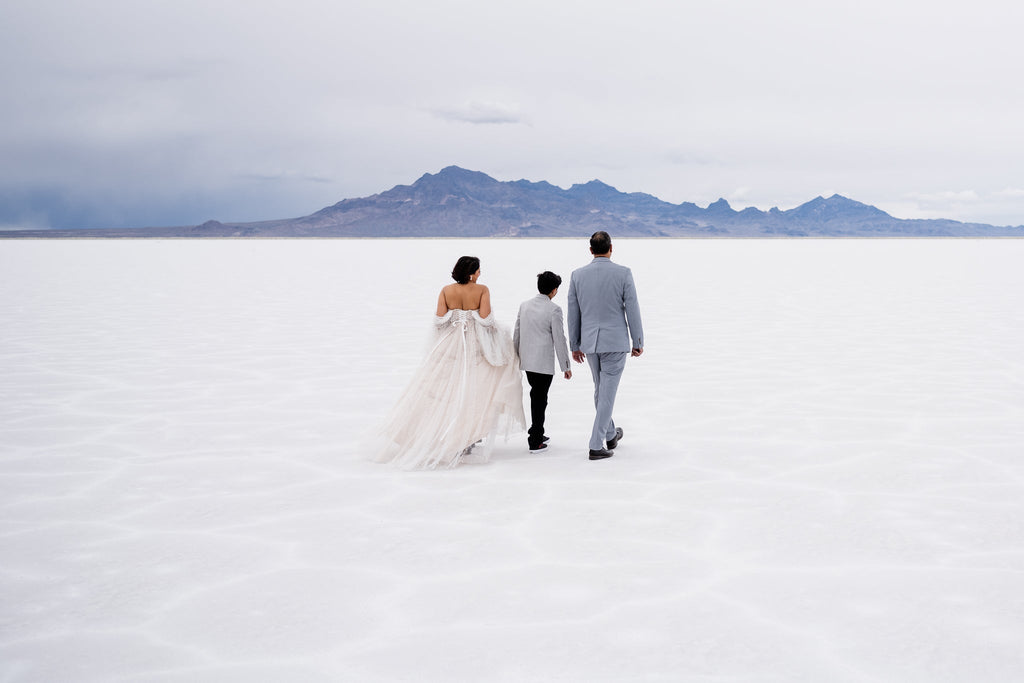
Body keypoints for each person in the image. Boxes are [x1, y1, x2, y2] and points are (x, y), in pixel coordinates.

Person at [370, 256, 525, 469]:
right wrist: (473, 317)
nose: (480, 273)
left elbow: (439, 320)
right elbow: (486, 320)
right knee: (472, 388)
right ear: (471, 273)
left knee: (445, 390)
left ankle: (443, 435)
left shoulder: (446, 290)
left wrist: (457, 317)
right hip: (474, 344)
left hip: (450, 342)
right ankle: (464, 436)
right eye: (478, 270)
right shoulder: (482, 290)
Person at [566, 231, 644, 460]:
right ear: (611, 248)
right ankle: (595, 444)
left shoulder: (577, 275)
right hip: (615, 342)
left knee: (601, 391)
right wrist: (638, 341)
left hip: (590, 342)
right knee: (606, 394)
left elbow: (573, 312)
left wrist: (575, 344)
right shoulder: (623, 273)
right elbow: (633, 308)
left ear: (591, 250)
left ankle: (610, 434)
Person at [513, 271, 573, 453]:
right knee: (540, 400)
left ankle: (537, 432)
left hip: (527, 361)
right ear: (554, 290)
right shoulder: (554, 309)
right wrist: (566, 366)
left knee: (537, 397)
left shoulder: (524, 305)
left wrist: (514, 357)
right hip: (543, 364)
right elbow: (559, 339)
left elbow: (517, 333)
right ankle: (536, 439)